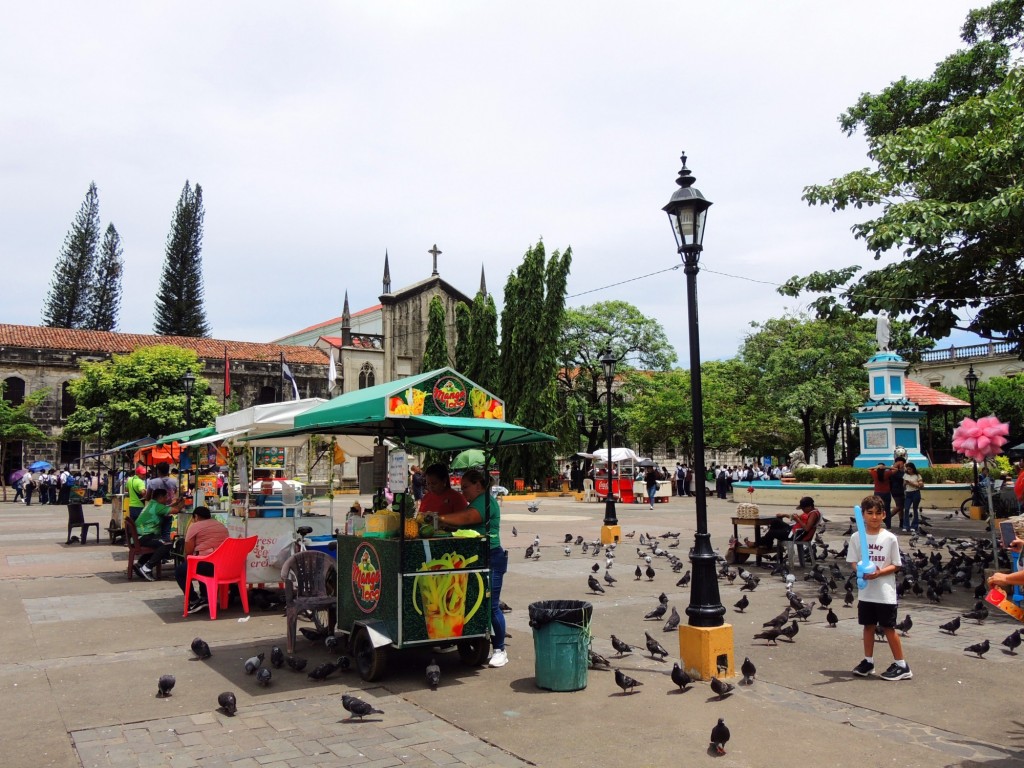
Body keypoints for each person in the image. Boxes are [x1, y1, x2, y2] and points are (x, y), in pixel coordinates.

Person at [437, 468, 508, 668]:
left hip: (492, 557)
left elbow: (468, 518)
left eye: (466, 487)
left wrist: (438, 518)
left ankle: (500, 649)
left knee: (491, 605)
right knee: (474, 602)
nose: (463, 491)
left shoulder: (486, 502)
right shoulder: (476, 501)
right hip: (476, 558)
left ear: (479, 485)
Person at [848, 494, 911, 681]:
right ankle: (868, 661)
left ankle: (902, 665)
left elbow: (896, 565)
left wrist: (879, 573)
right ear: (863, 515)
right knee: (868, 627)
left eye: (878, 513)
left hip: (885, 593)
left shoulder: (889, 538)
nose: (874, 517)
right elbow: (852, 561)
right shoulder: (856, 537)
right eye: (869, 513)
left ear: (884, 515)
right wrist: (861, 570)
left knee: (888, 627)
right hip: (866, 592)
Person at [175, 506, 229, 614]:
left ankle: (194, 600)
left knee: (180, 571)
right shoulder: (220, 525)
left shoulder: (195, 526)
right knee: (200, 560)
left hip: (208, 565)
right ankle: (205, 597)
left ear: (196, 516)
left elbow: (189, 550)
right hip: (225, 565)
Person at [134, 487, 186, 581]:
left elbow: (166, 508)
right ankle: (147, 568)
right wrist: (182, 504)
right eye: (166, 497)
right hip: (144, 536)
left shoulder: (153, 504)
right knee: (167, 544)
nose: (167, 499)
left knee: (160, 544)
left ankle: (140, 564)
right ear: (160, 497)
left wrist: (176, 503)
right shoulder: (157, 506)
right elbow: (175, 510)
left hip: (141, 536)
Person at [755, 496, 821, 552]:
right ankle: (767, 543)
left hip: (796, 535)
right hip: (793, 529)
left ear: (809, 507)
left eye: (803, 509)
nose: (803, 510)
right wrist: (784, 515)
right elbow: (797, 517)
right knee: (775, 521)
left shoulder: (813, 514)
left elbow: (807, 528)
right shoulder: (809, 511)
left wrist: (798, 520)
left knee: (772, 532)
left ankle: (757, 544)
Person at [902, 462, 924, 533]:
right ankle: (906, 526)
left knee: (915, 509)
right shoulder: (905, 475)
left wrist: (911, 483)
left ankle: (914, 526)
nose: (909, 471)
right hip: (908, 493)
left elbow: (921, 485)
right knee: (906, 509)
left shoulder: (917, 475)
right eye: (908, 469)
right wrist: (905, 483)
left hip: (915, 493)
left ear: (913, 469)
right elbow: (903, 485)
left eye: (910, 469)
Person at [888, 457, 906, 530]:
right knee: (899, 506)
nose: (903, 465)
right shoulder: (895, 471)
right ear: (898, 462)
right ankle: (887, 518)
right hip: (896, 489)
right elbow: (904, 477)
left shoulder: (894, 469)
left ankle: (901, 522)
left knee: (901, 507)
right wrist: (903, 470)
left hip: (899, 489)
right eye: (902, 463)